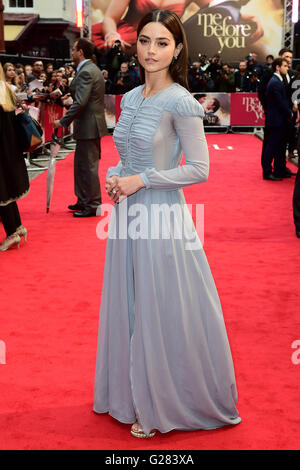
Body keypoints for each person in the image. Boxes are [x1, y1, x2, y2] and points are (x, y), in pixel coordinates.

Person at [93, 9, 241, 438]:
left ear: (176, 49)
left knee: (160, 306)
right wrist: (116, 175)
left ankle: (162, 400)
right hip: (128, 214)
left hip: (162, 216)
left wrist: (143, 179)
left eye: (161, 43)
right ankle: (132, 393)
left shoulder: (180, 101)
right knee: (131, 301)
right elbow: (127, 153)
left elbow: (199, 168)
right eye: (144, 41)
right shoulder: (133, 97)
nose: (151, 50)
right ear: (134, 44)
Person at [54, 38, 108, 217]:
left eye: (74, 49)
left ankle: (92, 204)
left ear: (81, 52)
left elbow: (81, 102)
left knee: (88, 167)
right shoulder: (90, 69)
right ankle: (84, 200)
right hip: (89, 125)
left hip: (89, 125)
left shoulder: (86, 71)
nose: (71, 52)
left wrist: (63, 121)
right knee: (82, 166)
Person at [0, 64, 29, 252]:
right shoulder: (6, 89)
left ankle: (11, 233)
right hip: (9, 146)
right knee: (7, 188)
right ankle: (17, 226)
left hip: (2, 147)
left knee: (2, 191)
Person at [261, 58, 293, 181]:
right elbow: (280, 102)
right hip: (276, 120)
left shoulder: (277, 81)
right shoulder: (274, 82)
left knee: (278, 146)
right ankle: (267, 171)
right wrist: (290, 113)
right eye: (285, 66)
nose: (287, 68)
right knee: (272, 146)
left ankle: (278, 170)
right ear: (277, 67)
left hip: (279, 120)